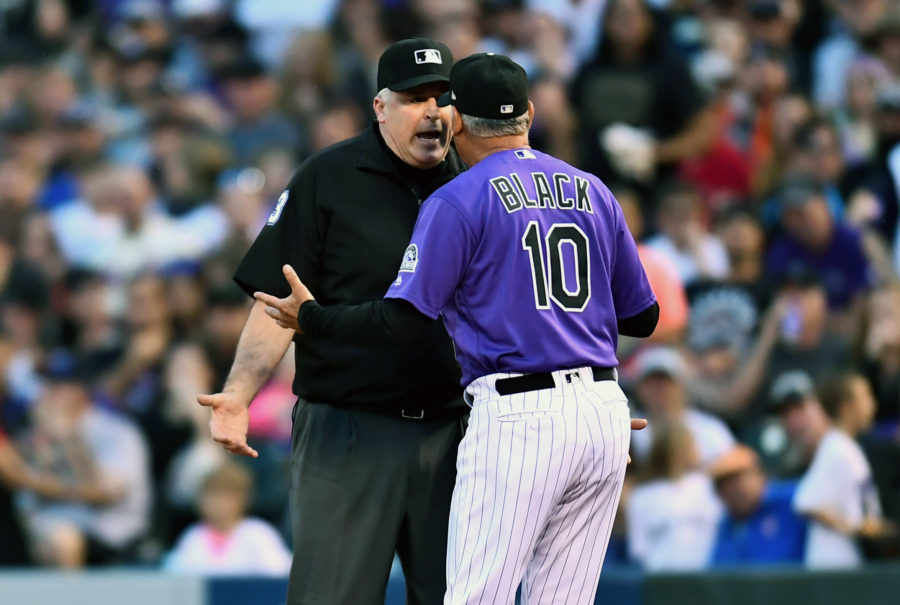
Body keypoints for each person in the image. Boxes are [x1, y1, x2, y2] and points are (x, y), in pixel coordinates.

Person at [258, 53, 659, 605]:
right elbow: (643, 316)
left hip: (519, 415)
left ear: (459, 120)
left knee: (474, 599)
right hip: (602, 411)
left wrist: (312, 318)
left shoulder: (459, 197)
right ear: (529, 114)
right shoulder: (591, 189)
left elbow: (400, 321)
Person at [198, 38, 468, 605]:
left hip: (455, 433)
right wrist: (239, 394)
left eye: (442, 98)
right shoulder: (329, 177)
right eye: (415, 98)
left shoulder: (474, 181)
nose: (433, 112)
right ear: (380, 107)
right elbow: (280, 299)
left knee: (461, 599)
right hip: (348, 430)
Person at [771, 370, 888, 568]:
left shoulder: (846, 445)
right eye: (865, 397)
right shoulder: (835, 446)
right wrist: (853, 527)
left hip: (848, 560)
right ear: (847, 407)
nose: (872, 404)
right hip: (832, 562)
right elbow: (806, 501)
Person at [163, 461, 291, 575]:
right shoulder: (192, 537)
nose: (219, 503)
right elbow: (176, 576)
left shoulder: (258, 534)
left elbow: (280, 573)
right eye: (212, 495)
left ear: (243, 499)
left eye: (227, 497)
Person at [626, 424, 722, 571]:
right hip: (662, 579)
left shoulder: (707, 485)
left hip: (706, 578)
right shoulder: (641, 497)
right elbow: (639, 550)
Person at [709, 445, 807, 567]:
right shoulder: (727, 524)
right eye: (723, 485)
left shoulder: (792, 499)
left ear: (758, 474)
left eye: (737, 480)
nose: (732, 490)